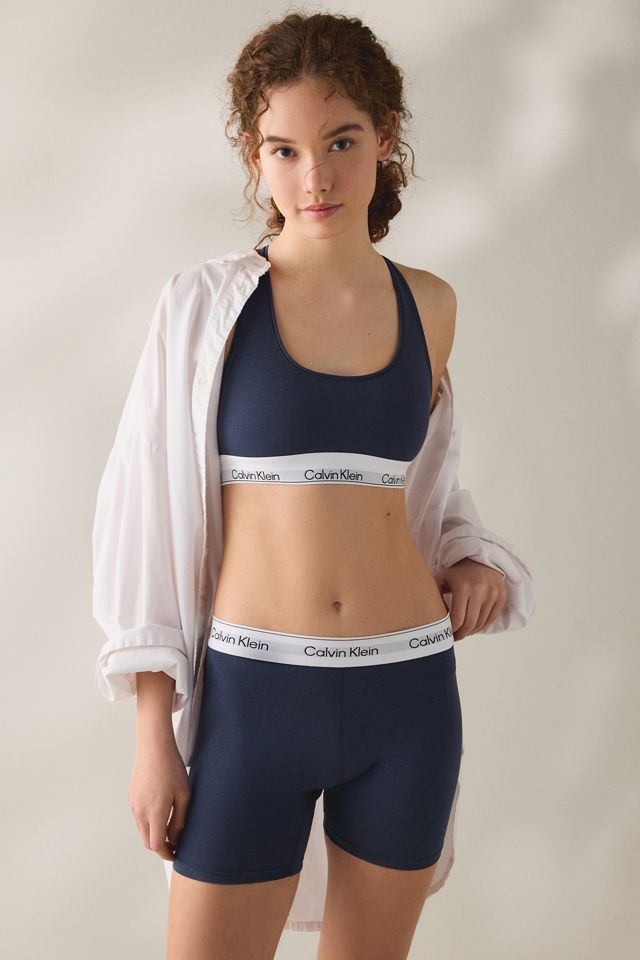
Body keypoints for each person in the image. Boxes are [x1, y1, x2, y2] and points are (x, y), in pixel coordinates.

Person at [91, 10, 537, 960]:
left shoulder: (430, 305)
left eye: (341, 142)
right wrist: (152, 736)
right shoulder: (206, 308)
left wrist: (471, 558)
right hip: (254, 699)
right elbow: (144, 511)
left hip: (408, 699)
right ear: (255, 159)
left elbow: (416, 495)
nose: (315, 179)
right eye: (284, 151)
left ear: (386, 135)